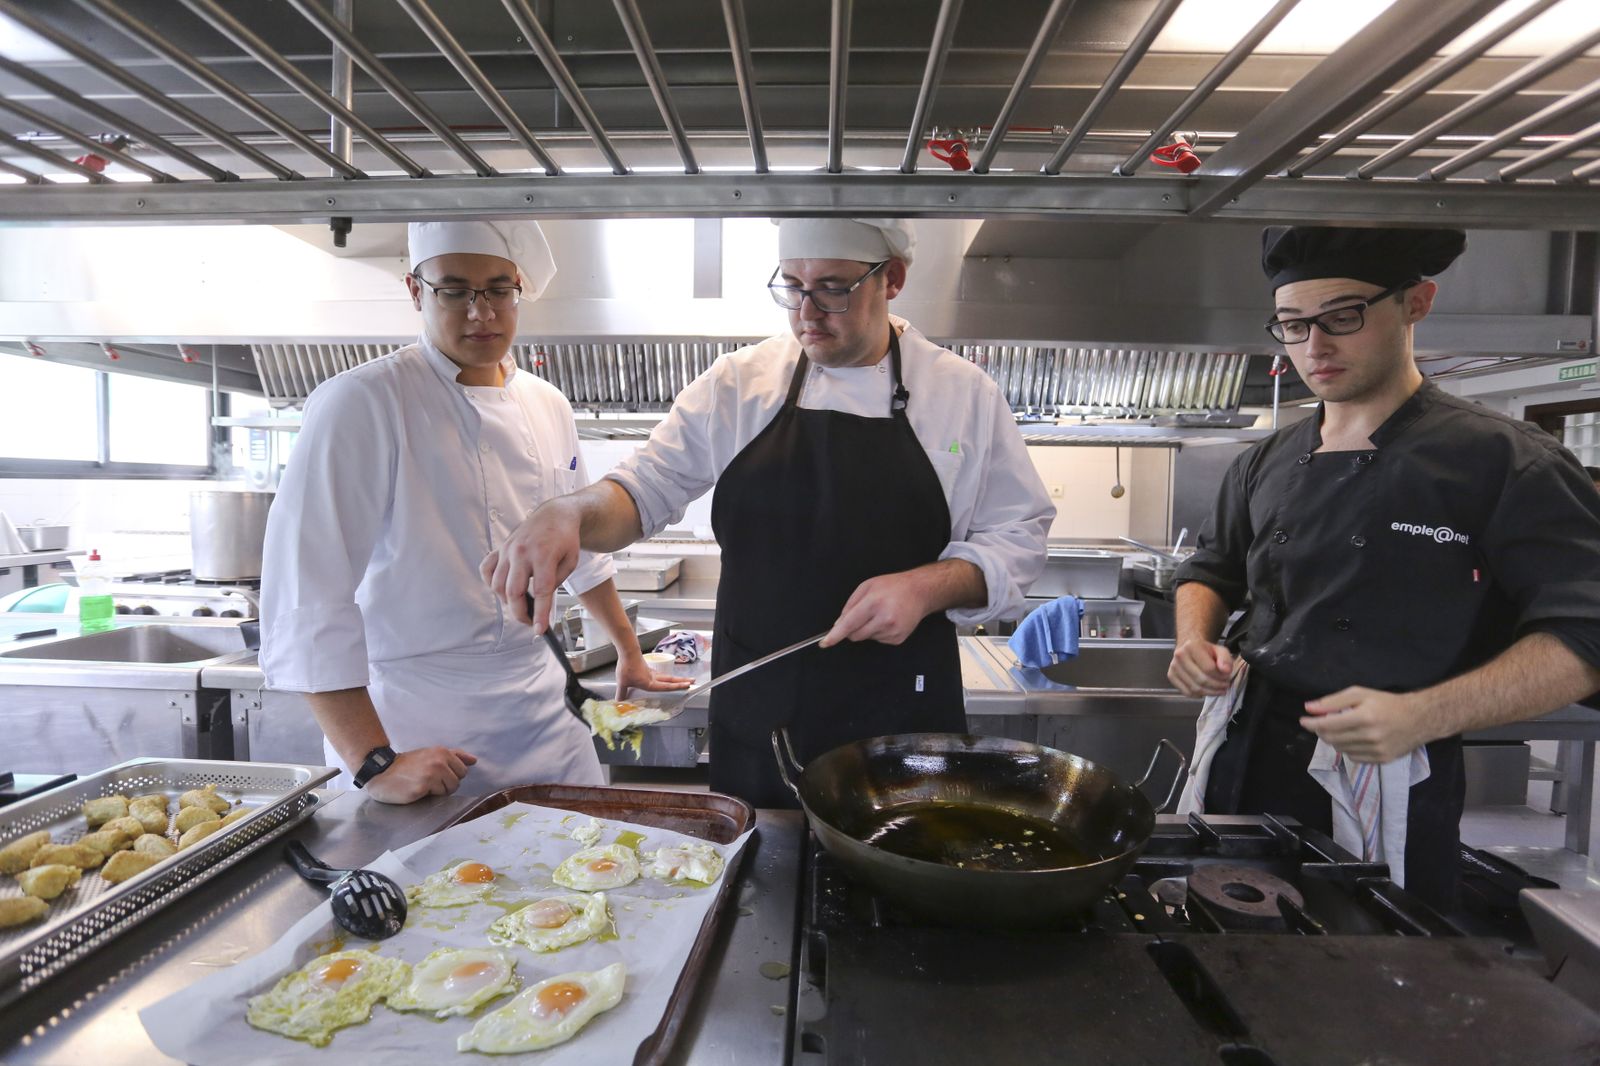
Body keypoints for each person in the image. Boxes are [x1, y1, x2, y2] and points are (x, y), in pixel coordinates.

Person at [483, 218, 1055, 806]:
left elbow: (1019, 536)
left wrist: (932, 585)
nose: (807, 311)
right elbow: (643, 488)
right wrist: (573, 512)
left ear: (892, 280)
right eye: (792, 286)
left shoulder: (962, 395)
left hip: (904, 721)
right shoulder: (738, 385)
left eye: (832, 287)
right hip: (762, 716)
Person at [1168, 225, 1600, 909]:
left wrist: (1424, 714)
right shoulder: (1264, 460)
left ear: (1416, 304)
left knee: (1371, 967)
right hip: (1242, 760)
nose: (1317, 346)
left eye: (1343, 316)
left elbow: (1586, 633)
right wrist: (1194, 638)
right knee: (1225, 938)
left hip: (1389, 767)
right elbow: (1210, 569)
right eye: (1293, 325)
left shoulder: (1504, 461)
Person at [260, 220, 686, 803]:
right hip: (417, 731)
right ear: (416, 291)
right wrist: (373, 762)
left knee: (586, 874)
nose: (480, 313)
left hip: (542, 718)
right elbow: (305, 594)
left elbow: (581, 549)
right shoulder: (361, 403)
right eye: (454, 291)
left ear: (517, 289)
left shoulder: (547, 404)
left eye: (497, 291)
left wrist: (629, 652)